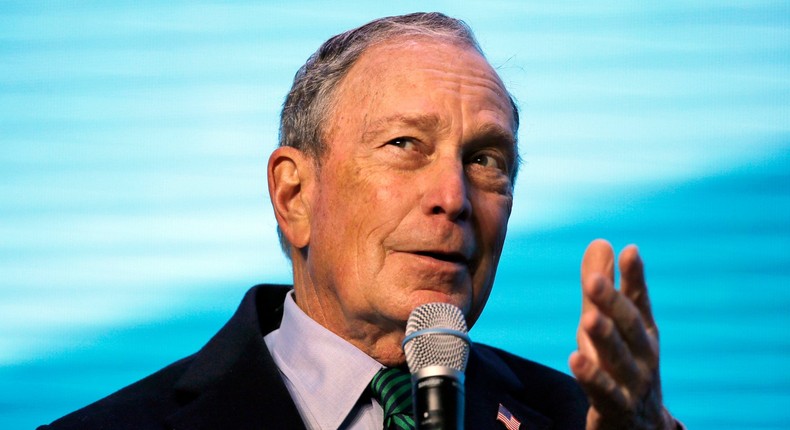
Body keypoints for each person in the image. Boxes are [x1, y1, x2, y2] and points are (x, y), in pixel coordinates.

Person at [40, 12, 681, 430]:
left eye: (485, 160)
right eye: (405, 145)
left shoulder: (580, 420)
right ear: (294, 196)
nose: (454, 197)